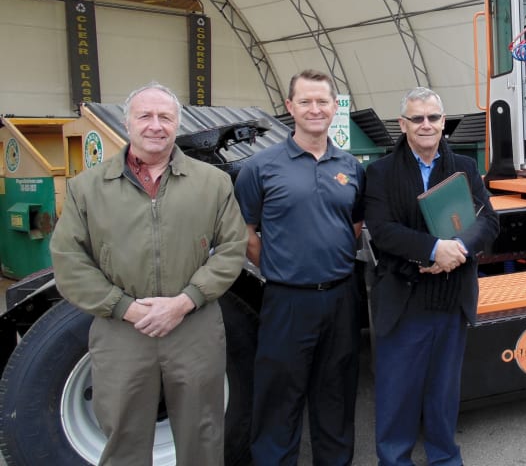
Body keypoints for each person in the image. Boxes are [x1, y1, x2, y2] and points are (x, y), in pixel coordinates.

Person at [50, 82, 248, 465]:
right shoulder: (87, 188)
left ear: (177, 124)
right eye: (145, 116)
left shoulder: (213, 183)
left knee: (203, 435)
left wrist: (184, 302)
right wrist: (124, 307)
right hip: (122, 330)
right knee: (123, 437)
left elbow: (231, 249)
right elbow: (68, 259)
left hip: (194, 328)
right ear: (127, 123)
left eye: (165, 117)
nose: (155, 125)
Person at [235, 69, 365, 465]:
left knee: (336, 395)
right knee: (279, 398)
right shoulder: (260, 167)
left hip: (341, 298)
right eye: (305, 101)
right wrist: (283, 269)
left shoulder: (351, 166)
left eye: (322, 101)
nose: (314, 109)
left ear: (334, 107)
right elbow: (246, 233)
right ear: (290, 107)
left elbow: (354, 226)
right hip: (286, 301)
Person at [364, 87, 499, 466]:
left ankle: (444, 458)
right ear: (402, 124)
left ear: (443, 123)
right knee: (398, 392)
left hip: (450, 298)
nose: (426, 124)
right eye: (417, 118)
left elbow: (488, 221)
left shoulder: (464, 168)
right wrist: (433, 249)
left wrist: (457, 248)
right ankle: (394, 460)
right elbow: (382, 230)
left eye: (433, 117)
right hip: (403, 300)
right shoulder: (380, 172)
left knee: (443, 391)